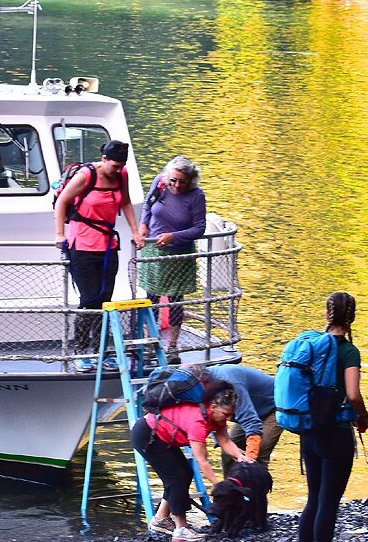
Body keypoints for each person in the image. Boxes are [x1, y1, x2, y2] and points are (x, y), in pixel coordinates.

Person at [295, 292, 368, 542]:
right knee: (329, 499)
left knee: (314, 496)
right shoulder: (348, 351)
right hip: (336, 432)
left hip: (309, 429)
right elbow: (352, 394)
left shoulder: (312, 346)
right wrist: (362, 417)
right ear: (351, 317)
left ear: (327, 315)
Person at [54, 140, 144, 367]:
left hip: (107, 247)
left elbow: (125, 202)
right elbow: (62, 202)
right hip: (82, 245)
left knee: (105, 301)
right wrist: (59, 234)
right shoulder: (86, 176)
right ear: (104, 159)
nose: (117, 170)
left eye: (120, 166)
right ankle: (81, 352)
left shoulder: (122, 175)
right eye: (114, 165)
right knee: (89, 300)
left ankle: (101, 352)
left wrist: (135, 231)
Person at [130, 381, 252, 542]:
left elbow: (225, 441)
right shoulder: (198, 423)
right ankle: (181, 529)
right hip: (147, 435)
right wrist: (218, 485)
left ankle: (160, 520)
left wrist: (240, 456)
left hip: (161, 437)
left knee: (185, 474)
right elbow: (202, 461)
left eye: (231, 415)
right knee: (177, 477)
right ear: (213, 407)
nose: (228, 419)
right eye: (226, 414)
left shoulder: (217, 418)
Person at [137, 156, 206, 364]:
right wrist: (143, 227)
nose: (176, 185)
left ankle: (173, 346)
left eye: (181, 181)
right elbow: (147, 208)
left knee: (176, 300)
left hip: (178, 253)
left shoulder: (196, 196)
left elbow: (199, 228)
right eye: (173, 180)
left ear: (190, 181)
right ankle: (150, 342)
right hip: (154, 251)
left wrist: (173, 237)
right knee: (152, 298)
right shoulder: (160, 183)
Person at [200, 362, 283, 477]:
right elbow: (211, 420)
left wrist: (248, 463)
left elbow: (251, 422)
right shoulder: (199, 388)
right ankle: (230, 490)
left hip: (273, 407)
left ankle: (257, 492)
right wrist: (224, 444)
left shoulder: (230, 383)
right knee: (228, 452)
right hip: (249, 409)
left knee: (259, 452)